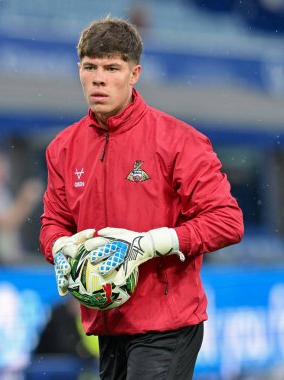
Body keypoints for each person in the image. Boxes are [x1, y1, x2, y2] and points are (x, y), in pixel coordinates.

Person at [40, 17, 244, 380]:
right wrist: (60, 248)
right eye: (90, 67)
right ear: (79, 70)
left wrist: (154, 242)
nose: (98, 78)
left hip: (167, 323)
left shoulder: (179, 140)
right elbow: (54, 222)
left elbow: (227, 220)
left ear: (134, 74)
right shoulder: (62, 148)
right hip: (107, 321)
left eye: (112, 68)